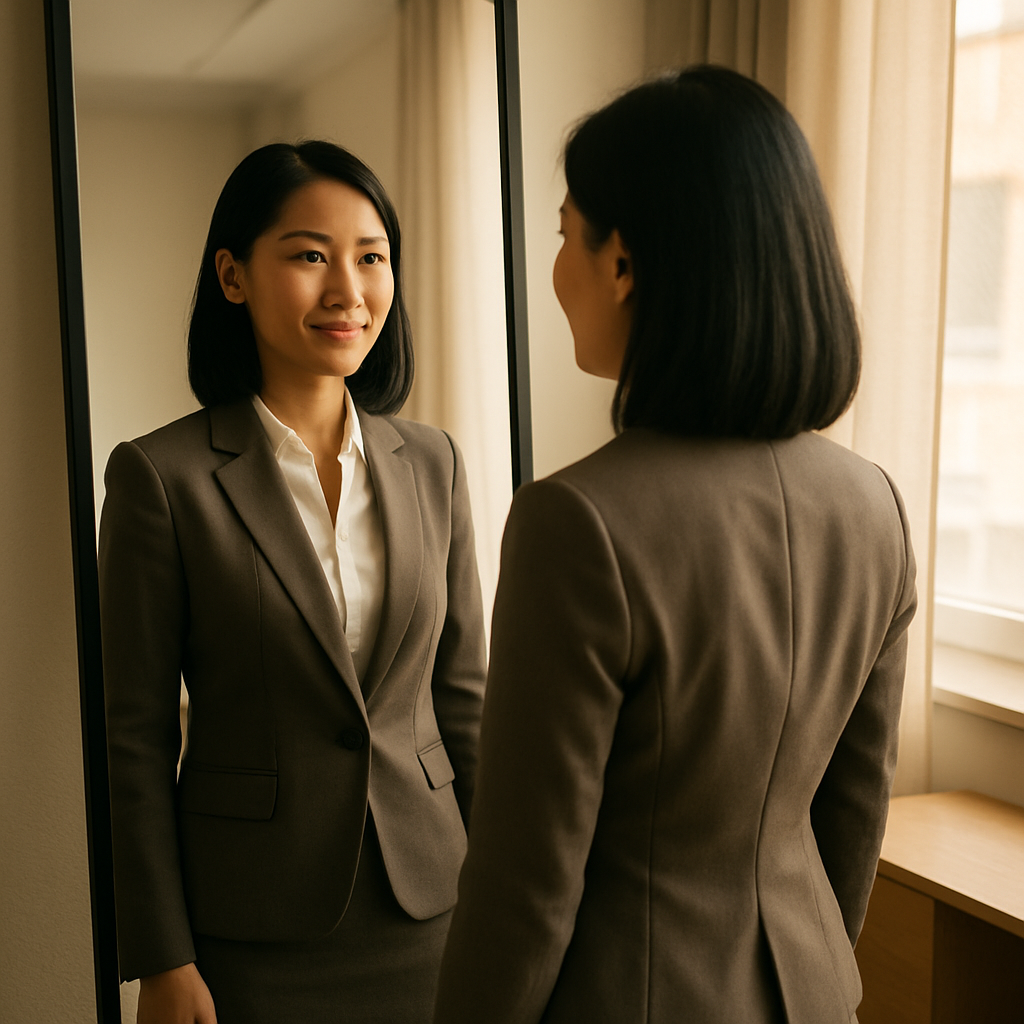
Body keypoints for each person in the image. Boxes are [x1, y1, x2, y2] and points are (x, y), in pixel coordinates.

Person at [432, 66, 917, 1024]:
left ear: (624, 263)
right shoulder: (874, 507)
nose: (558, 267)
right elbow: (851, 817)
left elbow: (527, 885)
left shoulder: (578, 523)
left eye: (565, 233)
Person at [99, 140, 486, 1024]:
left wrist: (513, 901)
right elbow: (132, 741)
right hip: (252, 931)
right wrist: (162, 957)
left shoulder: (434, 462)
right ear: (233, 277)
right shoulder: (161, 479)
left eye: (371, 257)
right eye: (311, 255)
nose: (348, 289)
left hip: (434, 905)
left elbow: (464, 702)